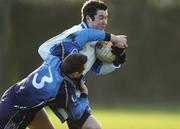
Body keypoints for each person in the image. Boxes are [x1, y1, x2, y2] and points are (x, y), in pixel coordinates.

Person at [38, 0, 128, 129]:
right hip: (55, 87)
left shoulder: (97, 42)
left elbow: (99, 70)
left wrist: (118, 59)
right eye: (101, 17)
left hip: (72, 92)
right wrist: (63, 71)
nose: (105, 22)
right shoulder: (75, 33)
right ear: (88, 18)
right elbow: (43, 49)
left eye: (106, 18)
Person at [0, 53, 91, 129]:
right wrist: (84, 94)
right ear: (75, 74)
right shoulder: (61, 89)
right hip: (15, 113)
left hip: (13, 94)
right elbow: (76, 113)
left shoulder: (53, 59)